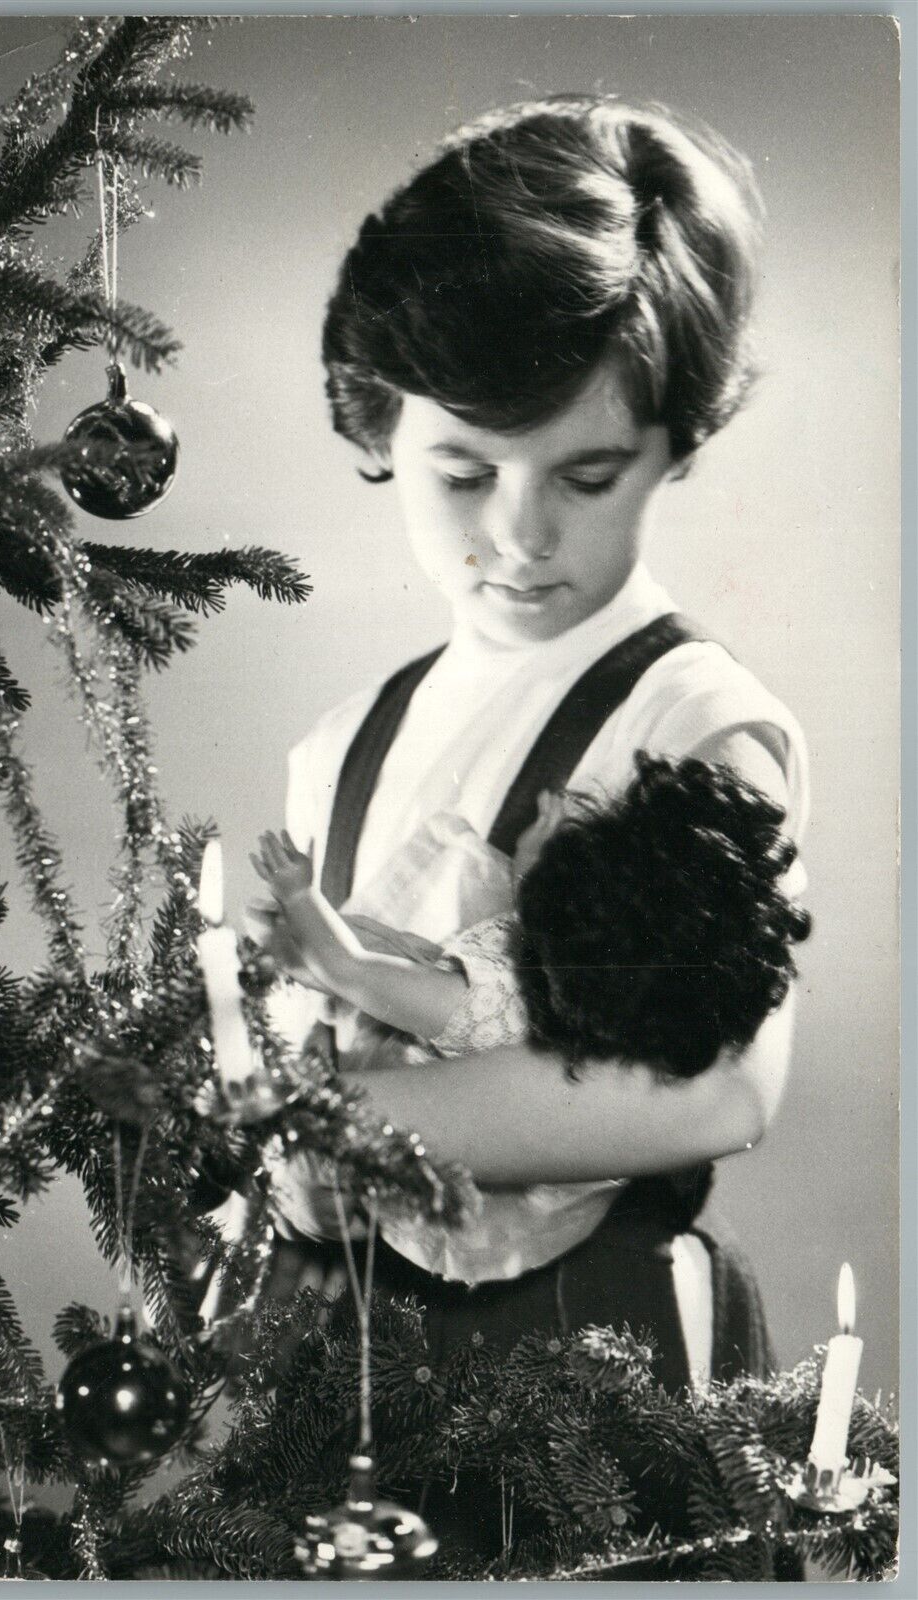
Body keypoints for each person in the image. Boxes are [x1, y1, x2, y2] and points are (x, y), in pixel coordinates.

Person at [251, 93, 810, 1399]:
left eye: (586, 474)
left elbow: (711, 1092)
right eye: (465, 473)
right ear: (379, 422)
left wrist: (336, 1124)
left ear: (675, 439)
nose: (520, 536)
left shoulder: (694, 719)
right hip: (343, 1358)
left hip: (592, 1365)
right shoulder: (340, 748)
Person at [252, 754, 809, 1287]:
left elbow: (350, 969)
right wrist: (538, 855)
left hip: (420, 1170)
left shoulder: (478, 1002)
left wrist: (299, 894)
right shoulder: (607, 994)